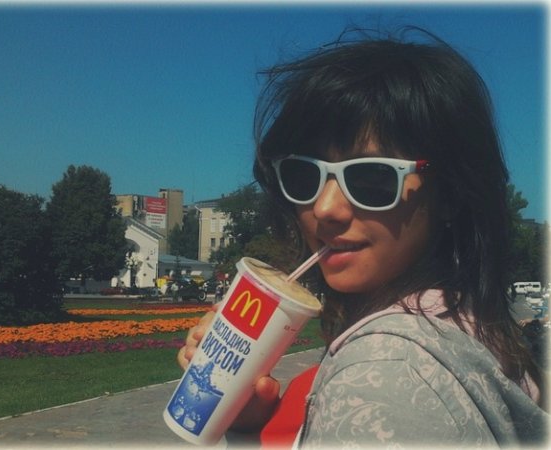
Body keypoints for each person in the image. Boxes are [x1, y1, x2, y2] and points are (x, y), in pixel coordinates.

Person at [178, 27, 548, 447]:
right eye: (303, 175)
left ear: (449, 194)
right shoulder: (474, 327)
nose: (325, 208)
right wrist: (249, 423)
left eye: (371, 178)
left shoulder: (387, 374)